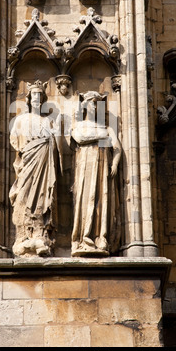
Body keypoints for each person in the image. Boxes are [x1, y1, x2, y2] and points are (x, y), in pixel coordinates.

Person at [9, 80, 58, 257]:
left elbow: (54, 146)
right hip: (28, 162)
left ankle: (40, 233)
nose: (36, 98)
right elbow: (15, 141)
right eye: (34, 95)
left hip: (43, 166)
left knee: (42, 199)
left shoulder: (48, 122)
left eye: (39, 95)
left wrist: (47, 143)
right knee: (23, 196)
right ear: (29, 99)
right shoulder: (20, 120)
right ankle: (22, 236)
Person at [71, 91, 121, 257]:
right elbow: (79, 138)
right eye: (92, 102)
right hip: (85, 169)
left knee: (101, 201)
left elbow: (118, 148)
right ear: (85, 105)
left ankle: (101, 237)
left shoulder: (105, 128)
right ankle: (83, 238)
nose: (95, 106)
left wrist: (114, 163)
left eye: (97, 103)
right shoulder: (80, 126)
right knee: (85, 201)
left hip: (101, 170)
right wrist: (101, 135)